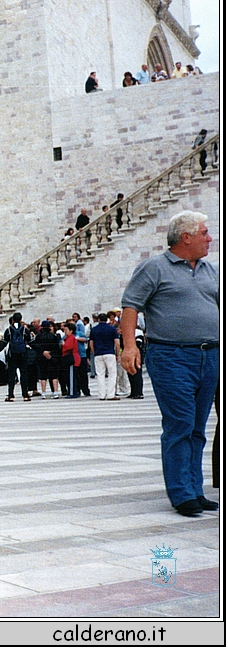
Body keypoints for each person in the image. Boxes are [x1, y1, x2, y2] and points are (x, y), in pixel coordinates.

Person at [121, 211, 218, 517]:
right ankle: (181, 493)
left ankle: (195, 488)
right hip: (171, 356)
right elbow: (131, 306)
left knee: (199, 427)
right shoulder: (154, 268)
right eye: (204, 232)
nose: (209, 237)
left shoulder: (209, 270)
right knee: (180, 423)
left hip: (210, 355)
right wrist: (129, 346)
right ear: (185, 237)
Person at [0, 312, 32, 402]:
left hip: (12, 354)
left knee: (11, 374)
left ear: (13, 320)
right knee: (24, 374)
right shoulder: (25, 330)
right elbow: (31, 342)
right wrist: (42, 351)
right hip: (23, 354)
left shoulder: (9, 330)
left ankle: (11, 395)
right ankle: (25, 395)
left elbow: (3, 343)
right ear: (21, 319)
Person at [88, 312, 120, 401]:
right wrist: (117, 354)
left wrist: (94, 352)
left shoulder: (94, 329)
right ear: (107, 319)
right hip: (109, 353)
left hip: (98, 353)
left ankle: (101, 395)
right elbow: (117, 343)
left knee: (100, 375)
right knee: (112, 374)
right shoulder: (112, 329)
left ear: (98, 320)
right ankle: (110, 394)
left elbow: (91, 343)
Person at [60, 321, 82, 399]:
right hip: (72, 358)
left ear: (71, 330)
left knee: (72, 376)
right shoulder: (68, 338)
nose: (65, 332)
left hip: (72, 358)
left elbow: (68, 347)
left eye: (66, 330)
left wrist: (63, 344)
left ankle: (73, 392)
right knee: (72, 376)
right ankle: (75, 391)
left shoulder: (71, 338)